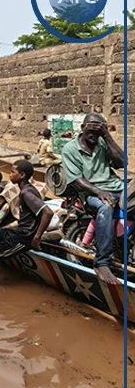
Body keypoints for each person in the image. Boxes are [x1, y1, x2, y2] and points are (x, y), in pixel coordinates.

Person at [0, 161, 53, 293]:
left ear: (22, 175)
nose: (10, 175)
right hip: (17, 231)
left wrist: (36, 237)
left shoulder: (27, 193)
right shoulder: (24, 190)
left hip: (24, 237)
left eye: (12, 172)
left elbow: (48, 212)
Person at [60, 113, 125, 285]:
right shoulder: (70, 149)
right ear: (83, 128)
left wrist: (107, 135)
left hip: (116, 186)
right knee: (105, 207)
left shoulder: (103, 142)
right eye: (91, 130)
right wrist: (98, 191)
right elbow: (76, 179)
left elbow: (122, 163)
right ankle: (102, 262)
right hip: (89, 192)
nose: (94, 135)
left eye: (98, 131)